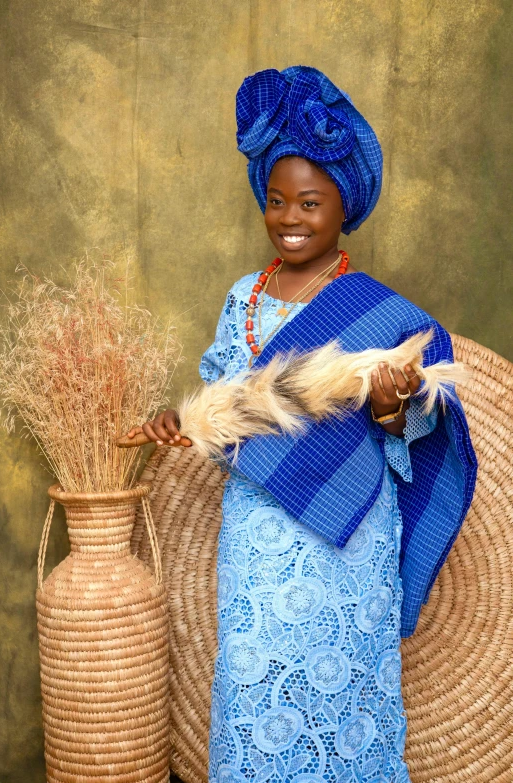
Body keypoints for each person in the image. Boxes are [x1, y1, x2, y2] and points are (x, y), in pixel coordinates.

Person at [127, 66, 477, 783]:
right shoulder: (242, 298)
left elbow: (402, 426)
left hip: (350, 539)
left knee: (343, 678)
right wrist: (179, 418)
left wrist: (388, 401)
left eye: (310, 202)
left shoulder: (372, 309)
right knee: (258, 679)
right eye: (277, 199)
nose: (290, 217)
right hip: (260, 526)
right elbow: (226, 400)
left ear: (343, 206)